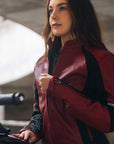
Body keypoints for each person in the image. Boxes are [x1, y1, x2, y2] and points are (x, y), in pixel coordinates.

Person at [14, 0, 114, 143]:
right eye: (50, 10)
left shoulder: (101, 59)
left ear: (79, 12)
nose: (53, 16)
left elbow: (109, 121)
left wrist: (59, 88)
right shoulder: (42, 64)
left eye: (62, 8)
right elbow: (40, 113)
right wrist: (33, 129)